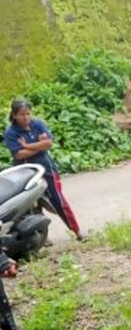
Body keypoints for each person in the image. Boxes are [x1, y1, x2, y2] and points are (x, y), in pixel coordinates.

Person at [4, 99, 83, 241]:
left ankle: (77, 231)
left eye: (28, 114)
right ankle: (40, 238)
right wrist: (40, 145)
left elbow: (49, 143)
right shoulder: (10, 132)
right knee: (31, 206)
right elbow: (18, 154)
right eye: (22, 115)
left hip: (46, 168)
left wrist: (27, 146)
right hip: (25, 173)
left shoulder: (38, 124)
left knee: (58, 200)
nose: (26, 117)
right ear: (14, 115)